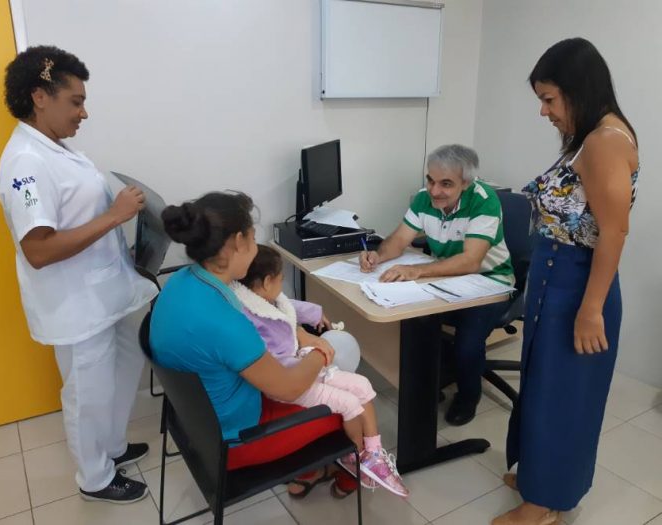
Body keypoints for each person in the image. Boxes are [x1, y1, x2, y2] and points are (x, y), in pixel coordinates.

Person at [0, 46, 159, 503]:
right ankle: (95, 477)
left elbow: (77, 216)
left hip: (106, 291)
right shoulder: (26, 164)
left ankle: (113, 447)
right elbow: (38, 250)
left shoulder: (56, 148)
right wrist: (115, 216)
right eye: (76, 101)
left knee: (123, 368)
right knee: (88, 391)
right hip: (76, 305)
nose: (84, 112)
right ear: (40, 97)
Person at [493, 38, 639, 525]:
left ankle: (544, 503)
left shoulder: (605, 142)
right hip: (555, 279)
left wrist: (591, 308)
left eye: (549, 99)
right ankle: (538, 478)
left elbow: (614, 232)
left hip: (578, 286)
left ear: (579, 89)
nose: (544, 111)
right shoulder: (588, 135)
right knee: (543, 386)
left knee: (564, 397)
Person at [149, 191, 351, 499]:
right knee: (353, 404)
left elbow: (258, 318)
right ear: (239, 241)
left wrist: (298, 332)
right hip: (236, 442)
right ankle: (347, 476)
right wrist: (320, 351)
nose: (256, 249)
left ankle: (306, 472)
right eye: (254, 239)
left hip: (195, 425)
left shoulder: (182, 282)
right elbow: (289, 388)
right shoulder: (225, 322)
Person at [231, 244, 409, 497]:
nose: (282, 285)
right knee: (350, 403)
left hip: (300, 367)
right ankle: (354, 459)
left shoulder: (258, 299)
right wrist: (314, 357)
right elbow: (277, 368)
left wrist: (314, 314)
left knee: (363, 385)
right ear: (268, 281)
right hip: (289, 380)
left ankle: (374, 454)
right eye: (281, 279)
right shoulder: (249, 317)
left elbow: (286, 305)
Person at [359, 144, 515, 426]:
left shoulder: (484, 200)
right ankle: (428, 384)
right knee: (414, 323)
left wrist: (416, 271)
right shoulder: (424, 198)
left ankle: (469, 395)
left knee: (467, 342)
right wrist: (378, 256)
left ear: (466, 183)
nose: (434, 190)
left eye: (446, 184)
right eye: (430, 180)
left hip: (490, 283)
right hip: (445, 279)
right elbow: (399, 240)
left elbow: (471, 261)